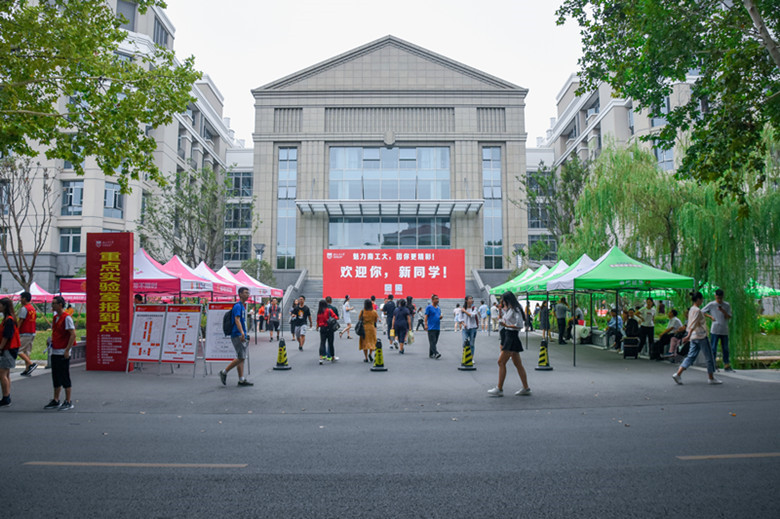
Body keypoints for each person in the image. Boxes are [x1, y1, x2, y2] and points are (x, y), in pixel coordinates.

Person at [487, 291, 531, 397]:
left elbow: (519, 325)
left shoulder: (516, 309)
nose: (502, 302)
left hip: (511, 336)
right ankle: (525, 387)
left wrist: (507, 325)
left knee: (501, 362)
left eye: (503, 300)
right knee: (517, 364)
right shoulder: (510, 309)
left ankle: (499, 388)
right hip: (509, 335)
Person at [672, 292, 722, 385]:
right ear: (698, 299)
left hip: (694, 337)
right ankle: (711, 378)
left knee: (691, 356)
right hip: (701, 336)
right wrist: (688, 335)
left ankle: (678, 374)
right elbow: (694, 323)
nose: (702, 301)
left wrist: (689, 335)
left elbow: (690, 323)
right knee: (709, 357)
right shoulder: (697, 310)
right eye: (702, 299)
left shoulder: (691, 309)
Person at [44, 296, 76, 410]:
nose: (52, 305)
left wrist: (67, 350)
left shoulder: (66, 318)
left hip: (63, 351)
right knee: (56, 376)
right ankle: (56, 399)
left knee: (64, 375)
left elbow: (73, 334)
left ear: (60, 305)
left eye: (54, 303)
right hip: (55, 350)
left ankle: (68, 400)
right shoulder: (55, 317)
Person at [219, 287, 253, 387]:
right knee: (241, 357)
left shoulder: (242, 306)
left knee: (241, 356)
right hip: (237, 334)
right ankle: (224, 371)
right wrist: (242, 333)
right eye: (246, 293)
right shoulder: (238, 306)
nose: (248, 294)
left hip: (240, 334)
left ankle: (241, 379)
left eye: (248, 293)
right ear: (240, 294)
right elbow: (237, 320)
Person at [703, 289, 733, 372]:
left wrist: (723, 311)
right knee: (713, 347)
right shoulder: (712, 304)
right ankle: (713, 364)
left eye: (721, 298)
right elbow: (702, 311)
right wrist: (710, 317)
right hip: (715, 329)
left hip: (724, 329)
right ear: (715, 296)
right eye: (718, 297)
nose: (719, 299)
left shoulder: (726, 305)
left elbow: (729, 316)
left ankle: (726, 364)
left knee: (725, 348)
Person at [0, 298, 21, 407]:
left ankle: (6, 397)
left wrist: (0, 347)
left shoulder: (9, 320)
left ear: (4, 306)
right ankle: (7, 395)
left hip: (8, 348)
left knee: (2, 373)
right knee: (6, 373)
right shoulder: (9, 319)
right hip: (10, 348)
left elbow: (6, 336)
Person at [17, 291, 38, 376]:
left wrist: (15, 330)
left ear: (24, 299)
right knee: (26, 352)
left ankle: (31, 364)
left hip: (25, 332)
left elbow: (20, 321)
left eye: (21, 298)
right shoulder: (32, 308)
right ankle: (27, 369)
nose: (20, 300)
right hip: (32, 332)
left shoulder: (24, 308)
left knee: (18, 350)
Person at [424, 294, 442, 359]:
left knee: (434, 342)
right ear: (432, 300)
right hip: (431, 327)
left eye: (438, 299)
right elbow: (426, 316)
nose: (437, 300)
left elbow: (438, 316)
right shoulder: (429, 307)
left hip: (437, 327)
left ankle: (431, 354)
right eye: (436, 299)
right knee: (432, 342)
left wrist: (440, 317)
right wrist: (426, 324)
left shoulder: (438, 308)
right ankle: (436, 353)